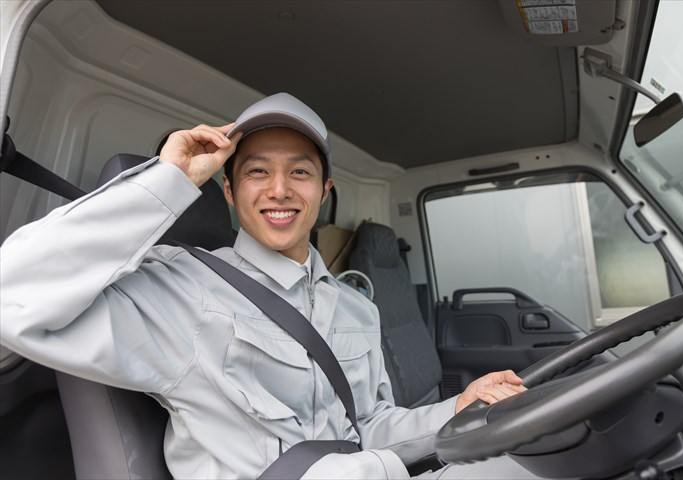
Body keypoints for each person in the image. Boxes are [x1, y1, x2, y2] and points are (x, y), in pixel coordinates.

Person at [0, 93, 531, 479]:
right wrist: (169, 181)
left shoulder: (354, 307)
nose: (279, 190)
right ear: (227, 191)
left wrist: (456, 409)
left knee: (533, 456)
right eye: (257, 172)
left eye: (299, 173)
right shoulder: (181, 287)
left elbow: (367, 424)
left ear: (324, 191)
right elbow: (12, 295)